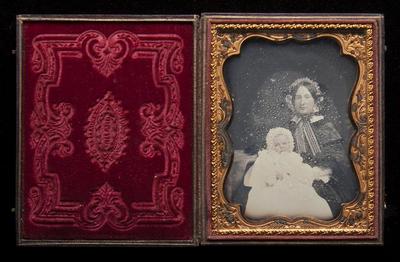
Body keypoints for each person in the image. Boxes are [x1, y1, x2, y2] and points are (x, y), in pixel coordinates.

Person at [285, 77, 359, 217]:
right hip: (294, 177)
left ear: (315, 101)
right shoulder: (289, 127)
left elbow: (336, 156)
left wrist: (316, 171)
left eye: (307, 97)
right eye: (298, 97)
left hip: (322, 178)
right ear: (292, 101)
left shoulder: (324, 126)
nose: (302, 102)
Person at [244, 127, 333, 220]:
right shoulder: (267, 157)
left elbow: (300, 169)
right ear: (271, 145)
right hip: (274, 185)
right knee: (275, 201)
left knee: (310, 200)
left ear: (289, 143)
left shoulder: (293, 157)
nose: (281, 146)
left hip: (293, 183)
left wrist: (312, 173)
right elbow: (262, 172)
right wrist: (274, 175)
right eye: (277, 145)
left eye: (284, 143)